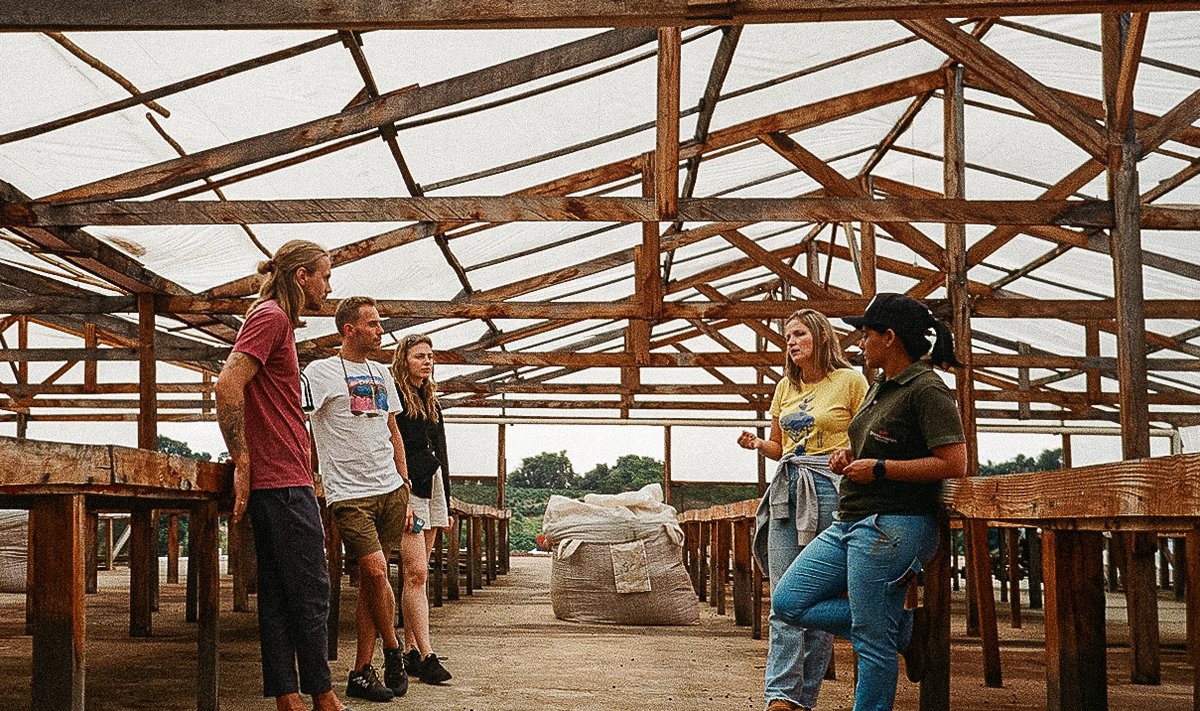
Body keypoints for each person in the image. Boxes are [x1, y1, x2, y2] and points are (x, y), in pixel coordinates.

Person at [771, 293, 968, 711]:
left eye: (866, 334)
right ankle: (904, 630)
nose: (860, 343)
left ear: (889, 337)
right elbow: (879, 446)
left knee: (869, 638)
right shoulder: (881, 386)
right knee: (789, 601)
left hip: (891, 524)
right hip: (851, 519)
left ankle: (884, 638)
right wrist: (850, 459)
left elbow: (955, 462)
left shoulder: (927, 389)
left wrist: (879, 469)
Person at [214, 240, 352, 711]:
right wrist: (243, 460)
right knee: (313, 590)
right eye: (325, 276)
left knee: (278, 593)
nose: (328, 286)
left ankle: (288, 696)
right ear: (301, 277)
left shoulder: (277, 323)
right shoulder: (270, 317)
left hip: (285, 477)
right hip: (280, 481)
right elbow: (228, 383)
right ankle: (323, 695)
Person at [737, 309, 868, 711]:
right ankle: (780, 695)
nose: (791, 342)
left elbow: (868, 437)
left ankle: (802, 698)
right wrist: (759, 444)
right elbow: (780, 446)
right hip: (787, 486)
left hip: (831, 487)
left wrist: (850, 455)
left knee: (817, 594)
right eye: (787, 336)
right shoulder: (784, 387)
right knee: (782, 595)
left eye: (798, 334)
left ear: (821, 337)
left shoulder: (851, 381)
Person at [302, 296, 414, 703]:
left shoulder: (383, 372)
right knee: (376, 570)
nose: (380, 330)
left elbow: (393, 430)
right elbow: (301, 424)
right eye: (372, 324)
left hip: (389, 488)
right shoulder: (320, 372)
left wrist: (405, 485)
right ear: (348, 329)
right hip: (348, 492)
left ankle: (360, 672)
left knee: (372, 581)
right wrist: (306, 477)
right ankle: (394, 648)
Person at [390, 333, 454, 685]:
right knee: (414, 573)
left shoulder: (430, 398)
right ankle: (427, 655)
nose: (427, 362)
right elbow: (388, 445)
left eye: (430, 356)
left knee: (420, 573)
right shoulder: (396, 397)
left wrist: (448, 498)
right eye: (419, 356)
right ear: (404, 359)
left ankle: (412, 651)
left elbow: (441, 450)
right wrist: (400, 492)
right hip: (409, 489)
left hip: (433, 486)